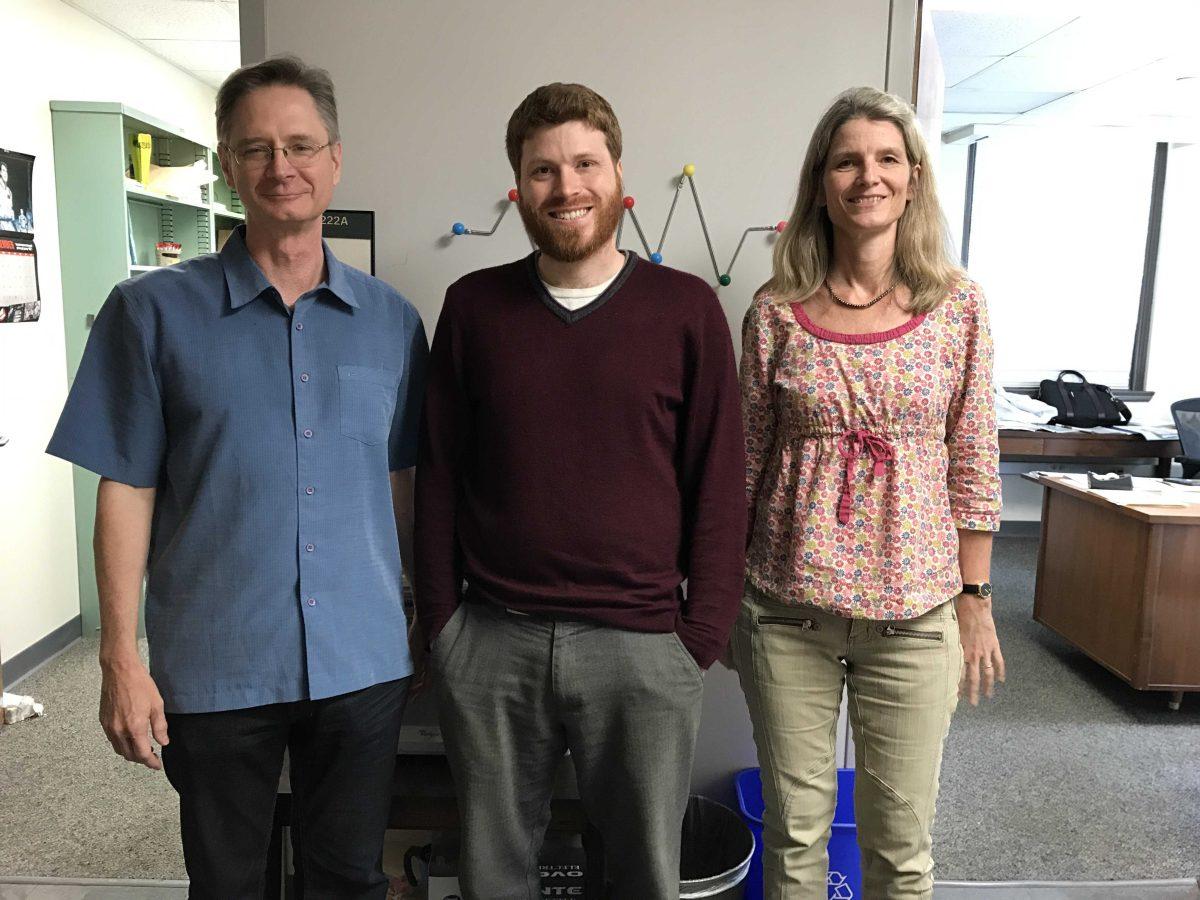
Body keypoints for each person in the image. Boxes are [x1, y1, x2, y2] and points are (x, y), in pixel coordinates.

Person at [47, 55, 427, 898]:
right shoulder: (148, 313)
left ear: (336, 158)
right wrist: (120, 654)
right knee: (226, 882)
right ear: (227, 164)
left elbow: (401, 481)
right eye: (256, 149)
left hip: (362, 662)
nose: (280, 167)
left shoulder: (394, 324)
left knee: (348, 877)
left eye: (300, 145)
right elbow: (125, 485)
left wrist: (419, 613)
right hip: (218, 661)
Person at [414, 82, 745, 899]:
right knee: (493, 875)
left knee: (640, 877)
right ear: (518, 186)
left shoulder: (686, 310)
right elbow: (440, 475)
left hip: (641, 645)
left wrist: (698, 635)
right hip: (493, 641)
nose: (567, 188)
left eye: (584, 164)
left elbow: (720, 482)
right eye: (542, 171)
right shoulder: (473, 308)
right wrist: (445, 630)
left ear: (618, 173)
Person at [734, 86, 1003, 899]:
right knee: (795, 841)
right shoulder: (774, 313)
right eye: (847, 160)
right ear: (822, 182)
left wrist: (976, 596)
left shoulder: (958, 306)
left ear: (914, 179)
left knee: (901, 851)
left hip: (914, 618)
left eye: (888, 158)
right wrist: (713, 591)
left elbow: (974, 460)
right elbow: (746, 463)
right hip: (786, 613)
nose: (868, 176)